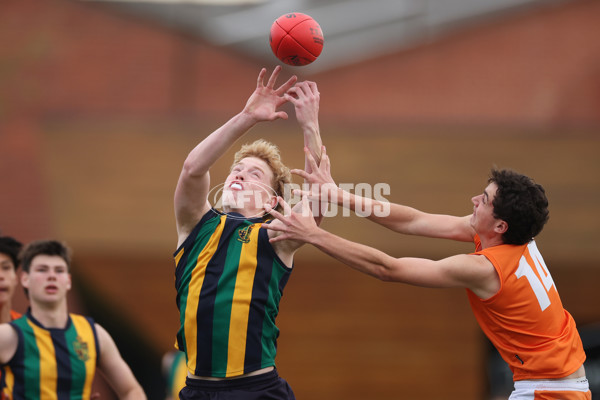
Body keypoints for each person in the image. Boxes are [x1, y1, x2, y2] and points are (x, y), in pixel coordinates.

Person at [264, 149, 591, 400]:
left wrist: (314, 235)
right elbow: (413, 221)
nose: (475, 200)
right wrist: (337, 195)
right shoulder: (514, 236)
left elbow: (388, 268)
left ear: (500, 225)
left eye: (485, 200)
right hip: (562, 383)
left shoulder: (483, 267)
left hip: (548, 391)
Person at [172, 65, 322, 400]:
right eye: (236, 170)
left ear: (271, 198)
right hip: (196, 390)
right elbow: (193, 168)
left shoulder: (275, 234)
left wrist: (310, 125)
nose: (239, 174)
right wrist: (247, 116)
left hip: (255, 389)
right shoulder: (196, 226)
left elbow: (319, 199)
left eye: (255, 174)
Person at [0, 239, 146, 400]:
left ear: (68, 281)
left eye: (59, 270)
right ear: (25, 279)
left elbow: (131, 391)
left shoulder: (93, 334)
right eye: (42, 270)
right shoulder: (9, 335)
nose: (51, 276)